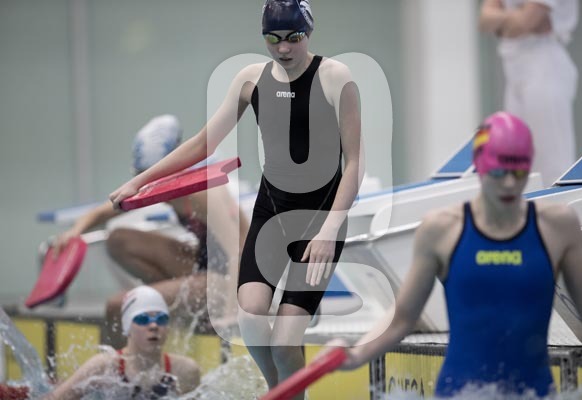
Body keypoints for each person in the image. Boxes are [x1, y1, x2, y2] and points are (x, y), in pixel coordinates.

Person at [109, 1, 363, 397]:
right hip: (272, 213)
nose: (283, 48)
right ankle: (280, 392)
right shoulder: (250, 80)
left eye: (293, 37)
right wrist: (140, 182)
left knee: (285, 343)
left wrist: (330, 229)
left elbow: (355, 163)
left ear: (309, 33)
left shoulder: (335, 77)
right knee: (251, 321)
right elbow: (203, 143)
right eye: (273, 39)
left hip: (319, 219)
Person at [324, 112, 582, 397]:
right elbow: (403, 318)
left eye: (518, 172)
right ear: (479, 166)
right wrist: (355, 354)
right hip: (461, 392)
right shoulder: (443, 229)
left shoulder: (557, 226)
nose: (509, 183)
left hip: (533, 392)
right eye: (498, 172)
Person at [53, 114, 248, 346]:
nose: (149, 185)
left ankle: (124, 361)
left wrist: (229, 315)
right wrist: (75, 231)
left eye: (152, 177)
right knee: (118, 240)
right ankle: (175, 299)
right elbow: (106, 210)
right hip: (203, 268)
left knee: (118, 306)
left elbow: (238, 251)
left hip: (233, 278)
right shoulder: (167, 183)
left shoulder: (203, 192)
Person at [479, 0, 579, 186]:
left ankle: (559, 205)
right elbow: (484, 21)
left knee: (553, 164)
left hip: (545, 63)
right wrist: (515, 18)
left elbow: (525, 22)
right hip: (514, 68)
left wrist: (501, 23)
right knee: (518, 162)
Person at [44, 286, 200, 399]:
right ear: (127, 327)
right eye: (142, 319)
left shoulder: (184, 372)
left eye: (161, 319)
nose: (153, 326)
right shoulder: (104, 368)